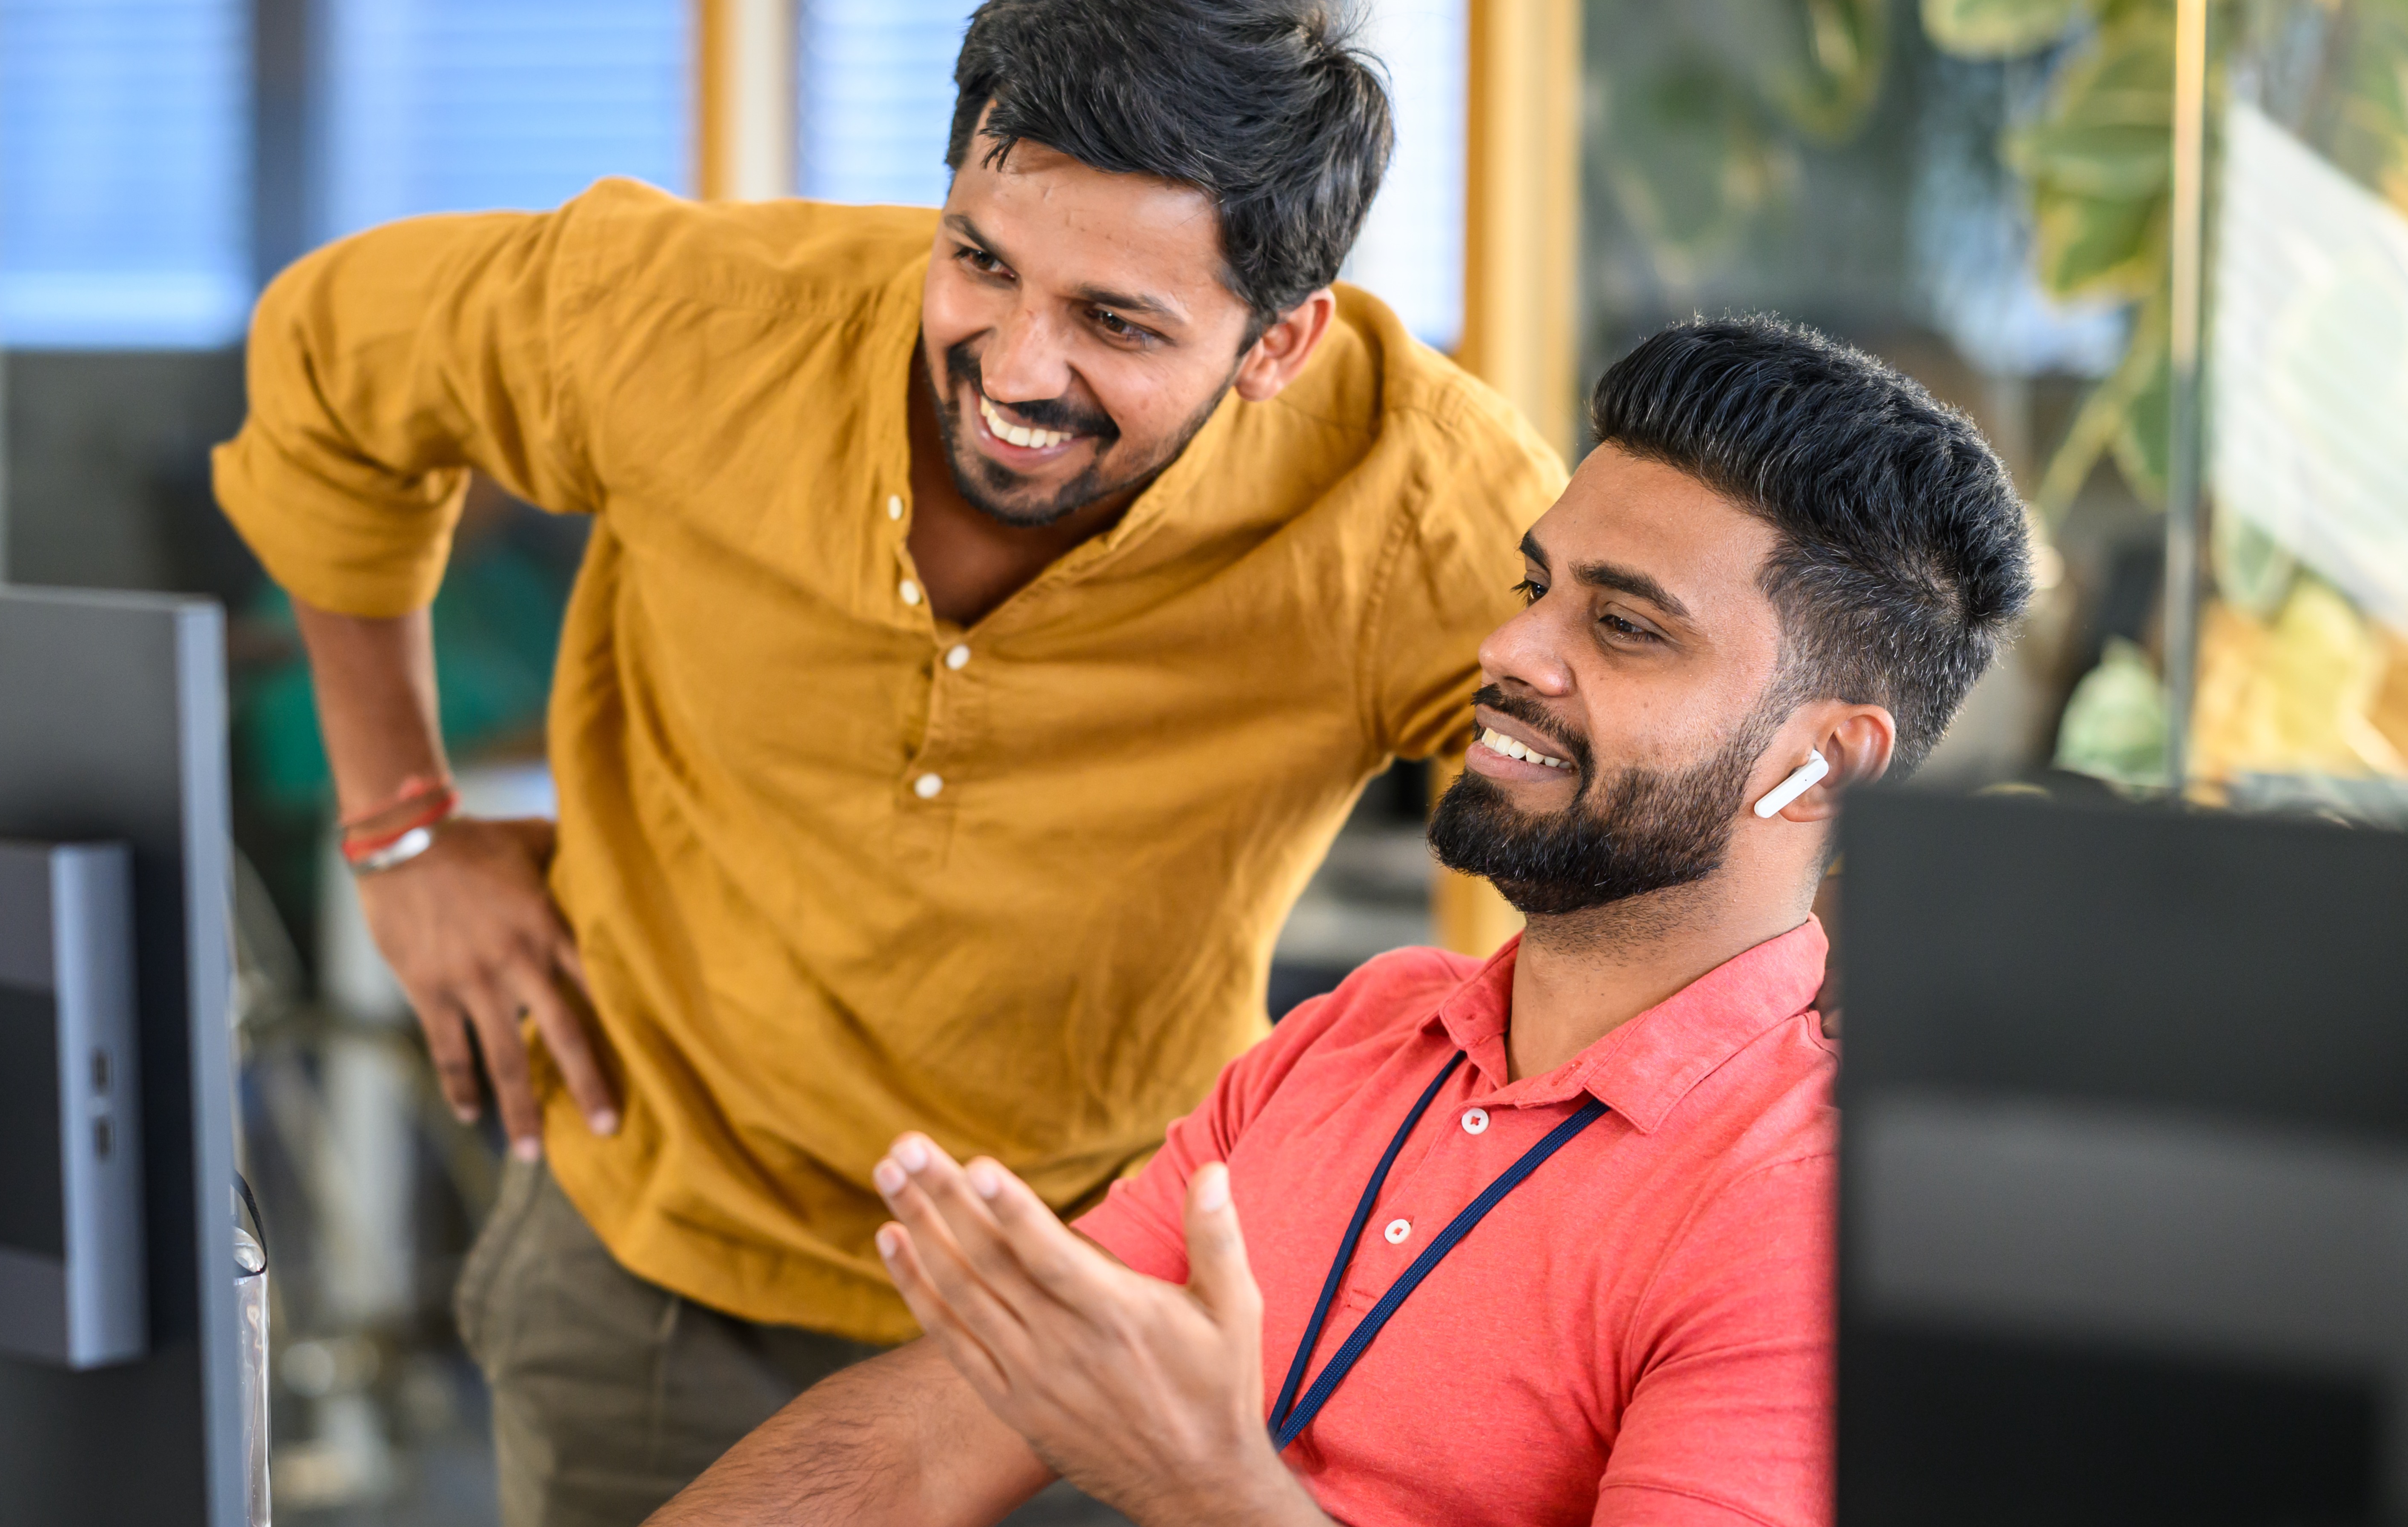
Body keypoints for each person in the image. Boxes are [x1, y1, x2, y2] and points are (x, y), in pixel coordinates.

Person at [210, 2, 1561, 1519]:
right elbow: (330, 370)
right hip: (650, 1254)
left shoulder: (1418, 501)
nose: (1017, 368)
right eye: (980, 260)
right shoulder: (692, 318)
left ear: (1278, 342)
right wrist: (398, 826)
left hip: (1094, 1295)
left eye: (1116, 324)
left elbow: (1637, 793)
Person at [648, 316, 2038, 1527]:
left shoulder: (1804, 1211)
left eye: (1624, 628)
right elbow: (922, 1438)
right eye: (1535, 588)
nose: (1508, 649)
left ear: (1829, 762)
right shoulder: (1360, 1032)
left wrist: (1211, 1488)